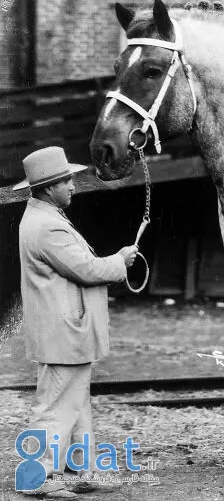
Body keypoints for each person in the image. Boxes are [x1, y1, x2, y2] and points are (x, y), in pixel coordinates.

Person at [13, 146, 138, 498]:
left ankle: (83, 470)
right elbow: (86, 270)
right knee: (55, 406)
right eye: (65, 180)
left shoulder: (44, 217)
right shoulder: (47, 226)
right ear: (48, 187)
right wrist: (120, 260)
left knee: (76, 403)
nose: (72, 185)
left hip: (65, 331)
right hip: (63, 332)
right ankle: (37, 478)